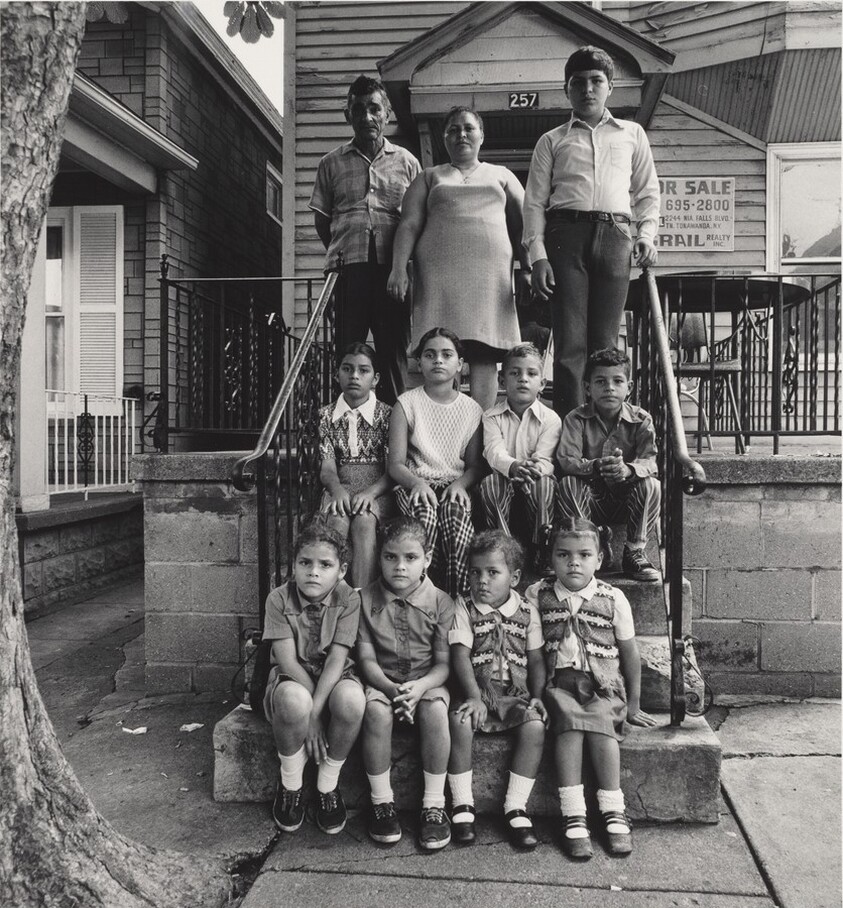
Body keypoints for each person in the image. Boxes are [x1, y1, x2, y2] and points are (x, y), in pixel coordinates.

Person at [523, 45, 660, 416]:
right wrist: (538, 257)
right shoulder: (552, 140)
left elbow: (648, 192)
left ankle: (608, 433)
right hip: (566, 237)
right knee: (570, 344)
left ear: (610, 87)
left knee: (604, 344)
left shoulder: (632, 134)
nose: (588, 89)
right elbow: (534, 203)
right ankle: (572, 432)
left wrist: (645, 235)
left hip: (615, 236)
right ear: (567, 89)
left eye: (596, 81)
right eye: (578, 82)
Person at [526, 518, 656, 859]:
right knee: (568, 726)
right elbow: (537, 654)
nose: (574, 562)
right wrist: (538, 697)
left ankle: (613, 809)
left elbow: (629, 653)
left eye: (585, 554)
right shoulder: (538, 594)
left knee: (601, 727)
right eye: (563, 554)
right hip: (560, 685)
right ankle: (573, 814)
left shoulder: (613, 598)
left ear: (600, 559)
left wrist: (634, 703)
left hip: (603, 687)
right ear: (551, 558)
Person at [387, 107, 530, 410]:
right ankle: (443, 431)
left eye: (468, 128)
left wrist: (527, 268)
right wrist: (398, 268)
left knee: (484, 353)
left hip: (488, 280)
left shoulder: (502, 176)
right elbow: (409, 224)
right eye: (453, 129)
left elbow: (523, 226)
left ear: (481, 136)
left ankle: (480, 434)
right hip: (440, 279)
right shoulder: (429, 177)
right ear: (444, 139)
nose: (461, 134)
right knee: (442, 353)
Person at [310, 75, 421, 405]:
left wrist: (401, 267)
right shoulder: (331, 163)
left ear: (387, 114)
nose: (367, 117)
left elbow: (416, 221)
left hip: (393, 273)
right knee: (347, 354)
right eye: (358, 109)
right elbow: (322, 221)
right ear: (348, 116)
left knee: (392, 355)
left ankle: (394, 439)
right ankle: (344, 435)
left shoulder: (407, 162)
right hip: (348, 273)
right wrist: (344, 251)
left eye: (374, 108)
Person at [262, 518, 365, 837]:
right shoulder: (278, 598)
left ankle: (327, 786)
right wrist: (310, 716)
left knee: (352, 700)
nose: (314, 572)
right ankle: (290, 784)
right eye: (305, 563)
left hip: (335, 680)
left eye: (325, 564)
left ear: (342, 570)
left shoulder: (349, 598)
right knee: (294, 701)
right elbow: (288, 662)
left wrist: (317, 714)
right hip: (293, 679)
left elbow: (337, 660)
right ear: (293, 566)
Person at [357, 517, 456, 850]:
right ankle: (382, 803)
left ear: (427, 558)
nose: (400, 566)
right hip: (382, 681)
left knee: (436, 712)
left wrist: (419, 687)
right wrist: (389, 689)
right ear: (380, 557)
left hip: (426, 681)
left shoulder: (441, 602)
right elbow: (367, 660)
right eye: (390, 557)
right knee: (375, 713)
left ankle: (433, 805)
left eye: (411, 558)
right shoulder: (364, 600)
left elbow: (444, 665)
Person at [448, 531, 548, 850]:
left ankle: (515, 807)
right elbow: (460, 655)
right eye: (475, 572)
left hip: (513, 693)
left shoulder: (528, 612)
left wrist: (537, 695)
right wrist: (474, 696)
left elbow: (535, 660)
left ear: (514, 577)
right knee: (459, 722)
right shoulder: (463, 607)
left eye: (493, 572)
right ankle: (463, 804)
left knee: (534, 727)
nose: (482, 581)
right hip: (475, 689)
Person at [388, 328, 484, 598]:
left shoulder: (471, 409)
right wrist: (417, 482)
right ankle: (420, 597)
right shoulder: (406, 404)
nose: (438, 360)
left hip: (454, 483)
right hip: (416, 484)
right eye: (430, 355)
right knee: (425, 516)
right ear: (420, 363)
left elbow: (476, 465)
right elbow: (395, 463)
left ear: (460, 365)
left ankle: (458, 602)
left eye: (446, 355)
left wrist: (460, 484)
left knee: (455, 517)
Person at [556, 348, 661, 582]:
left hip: (626, 498)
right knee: (568, 483)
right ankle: (584, 546)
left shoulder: (641, 419)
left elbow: (651, 462)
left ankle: (634, 552)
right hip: (592, 499)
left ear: (629, 387)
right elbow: (566, 460)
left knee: (652, 484)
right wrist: (594, 466)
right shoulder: (576, 418)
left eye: (617, 381)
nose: (609, 388)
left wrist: (628, 469)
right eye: (600, 381)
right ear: (587, 388)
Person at [480, 342, 562, 571]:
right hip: (504, 481)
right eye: (515, 373)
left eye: (531, 373)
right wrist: (514, 467)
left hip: (535, 485)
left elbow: (545, 459)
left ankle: (541, 547)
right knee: (489, 483)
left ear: (542, 383)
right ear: (502, 380)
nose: (523, 379)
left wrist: (530, 473)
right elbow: (493, 452)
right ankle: (502, 549)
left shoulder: (551, 418)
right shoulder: (491, 416)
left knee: (544, 484)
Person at [319, 342, 393, 587]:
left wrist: (371, 493)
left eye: (363, 371)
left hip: (377, 487)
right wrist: (337, 490)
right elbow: (327, 467)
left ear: (375, 378)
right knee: (337, 520)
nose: (354, 376)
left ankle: (362, 596)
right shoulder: (325, 416)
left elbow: (393, 468)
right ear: (336, 374)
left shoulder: (388, 415)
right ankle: (331, 594)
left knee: (364, 520)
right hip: (340, 484)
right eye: (347, 369)